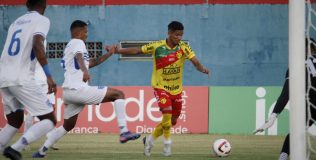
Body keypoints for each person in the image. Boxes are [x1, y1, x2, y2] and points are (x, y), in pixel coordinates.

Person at [32, 20, 141, 158]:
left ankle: (41, 150)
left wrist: (110, 54)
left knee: (68, 126)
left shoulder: (71, 46)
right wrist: (84, 71)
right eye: (85, 32)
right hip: (77, 89)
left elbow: (92, 63)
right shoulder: (78, 42)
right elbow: (79, 58)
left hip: (69, 92)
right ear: (79, 31)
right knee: (119, 94)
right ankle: (124, 132)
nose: (86, 35)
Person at [115, 21, 210, 157]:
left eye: (181, 35)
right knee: (167, 112)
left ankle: (149, 140)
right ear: (169, 33)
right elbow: (137, 50)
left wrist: (203, 69)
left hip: (176, 90)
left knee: (172, 121)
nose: (179, 38)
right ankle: (167, 144)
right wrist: (117, 50)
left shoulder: (184, 47)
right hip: (160, 87)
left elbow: (195, 61)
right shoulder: (157, 46)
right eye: (177, 35)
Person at [0, 0, 57, 159]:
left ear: (27, 5)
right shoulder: (42, 20)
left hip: (3, 77)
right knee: (50, 120)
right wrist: (49, 76)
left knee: (14, 121)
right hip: (22, 77)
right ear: (44, 5)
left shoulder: (15, 23)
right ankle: (16, 148)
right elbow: (38, 45)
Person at [253, 38, 316, 160]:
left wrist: (272, 117)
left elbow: (286, 94)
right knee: (296, 132)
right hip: (314, 102)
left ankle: (283, 157)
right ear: (314, 48)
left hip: (313, 103)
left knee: (296, 132)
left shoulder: (297, 65)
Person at [23, 61, 59, 151]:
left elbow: (47, 72)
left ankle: (51, 140)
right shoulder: (30, 56)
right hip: (33, 86)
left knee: (49, 112)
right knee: (31, 113)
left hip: (45, 86)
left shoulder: (42, 59)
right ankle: (25, 141)